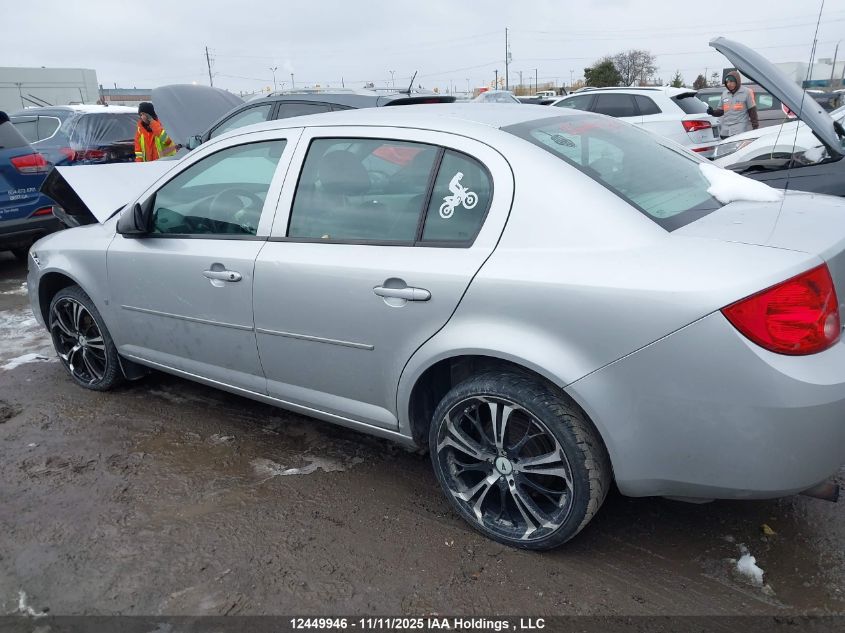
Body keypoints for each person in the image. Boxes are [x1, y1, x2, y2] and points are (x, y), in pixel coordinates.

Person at [707, 71, 759, 139]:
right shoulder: (724, 94)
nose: (729, 84)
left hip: (739, 129)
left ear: (737, 81)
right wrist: (712, 112)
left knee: (737, 148)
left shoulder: (746, 92)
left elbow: (752, 112)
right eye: (727, 82)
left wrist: (755, 128)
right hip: (726, 129)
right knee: (725, 148)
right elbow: (721, 111)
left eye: (731, 81)